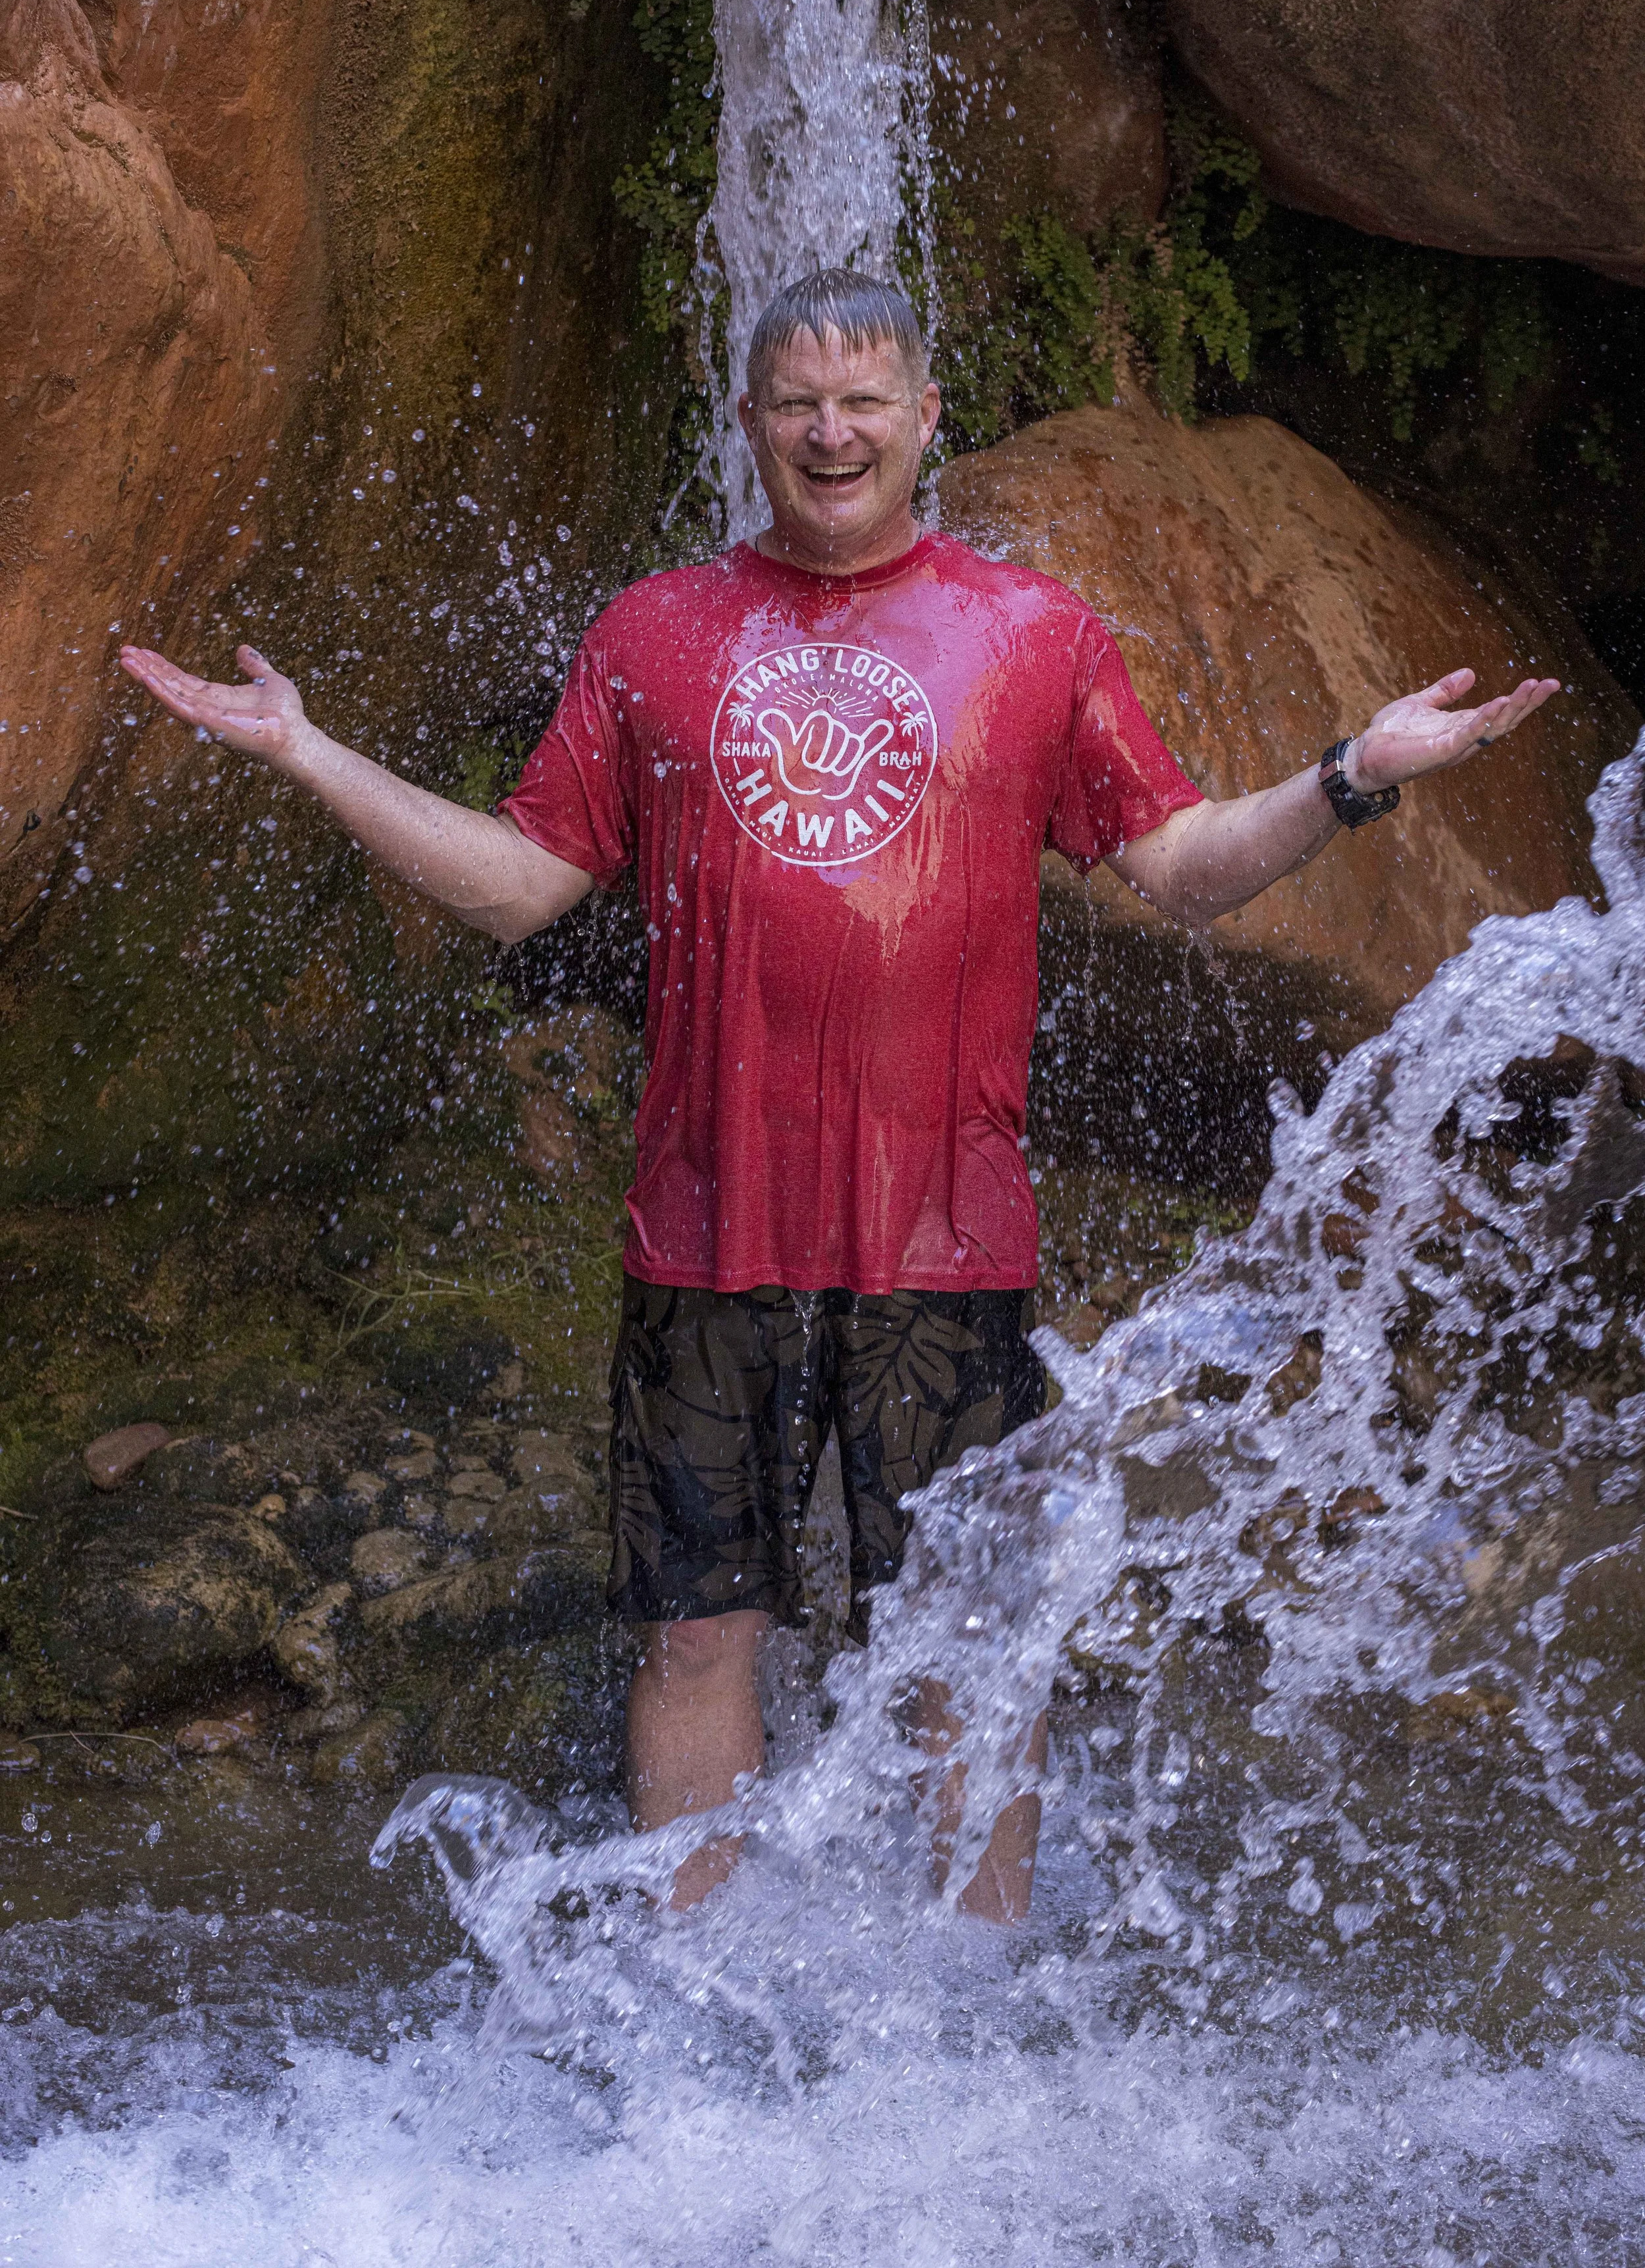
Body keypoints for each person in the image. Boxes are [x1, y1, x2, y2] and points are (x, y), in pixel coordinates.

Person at [121, 270, 1559, 1921]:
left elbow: (1181, 866)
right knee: (691, 1629)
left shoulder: (1029, 632)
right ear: (748, 423)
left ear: (924, 416)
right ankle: (695, 2015)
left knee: (957, 1643)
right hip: (703, 1231)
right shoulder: (652, 631)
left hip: (945, 1246)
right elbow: (519, 883)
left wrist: (1345, 774)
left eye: (864, 398)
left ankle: (966, 2018)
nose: (830, 429)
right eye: (797, 400)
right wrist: (312, 752)